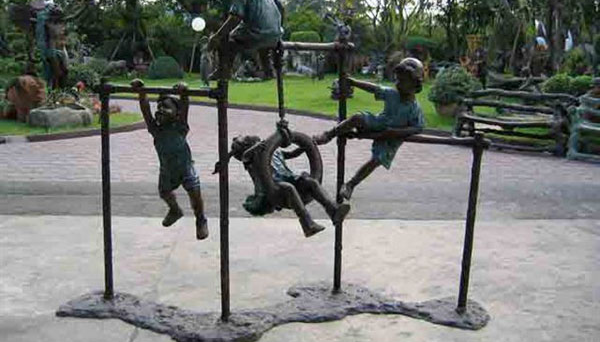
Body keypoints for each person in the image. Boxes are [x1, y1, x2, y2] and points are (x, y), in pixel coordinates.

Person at [314, 57, 426, 200]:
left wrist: (396, 132)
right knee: (357, 118)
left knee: (376, 160)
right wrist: (353, 82)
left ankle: (350, 185)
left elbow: (418, 128)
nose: (397, 84)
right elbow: (374, 89)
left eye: (402, 81)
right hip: (380, 122)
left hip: (390, 139)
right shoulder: (392, 94)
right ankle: (329, 134)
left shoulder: (414, 109)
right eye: (397, 79)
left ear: (415, 84)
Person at [215, 135, 350, 238]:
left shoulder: (274, 151)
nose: (248, 136)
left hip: (289, 178)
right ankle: (307, 224)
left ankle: (333, 211)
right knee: (287, 187)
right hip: (271, 189)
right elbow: (245, 156)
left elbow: (292, 154)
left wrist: (306, 145)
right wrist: (257, 147)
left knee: (311, 182)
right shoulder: (252, 158)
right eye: (244, 139)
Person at [131, 79, 208, 240]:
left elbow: (185, 106)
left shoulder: (180, 127)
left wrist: (184, 92)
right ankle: (175, 210)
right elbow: (146, 110)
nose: (160, 110)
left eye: (165, 107)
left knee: (195, 195)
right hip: (167, 170)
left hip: (186, 168)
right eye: (158, 107)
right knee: (164, 192)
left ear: (177, 113)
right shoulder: (155, 130)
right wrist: (141, 93)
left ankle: (200, 219)